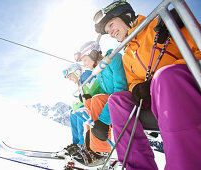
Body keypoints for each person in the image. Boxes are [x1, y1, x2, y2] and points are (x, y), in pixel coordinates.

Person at [93, 1, 201, 170]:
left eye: (111, 25)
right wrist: (137, 88)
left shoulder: (159, 24)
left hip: (185, 83)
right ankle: (137, 166)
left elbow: (198, 49)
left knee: (164, 77)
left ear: (125, 15)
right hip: (157, 97)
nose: (111, 34)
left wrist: (162, 77)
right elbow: (132, 81)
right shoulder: (127, 54)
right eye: (107, 32)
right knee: (117, 100)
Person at [71, 41, 128, 167]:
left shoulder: (114, 58)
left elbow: (121, 89)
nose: (84, 64)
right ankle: (89, 147)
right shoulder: (99, 71)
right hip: (113, 103)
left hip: (124, 100)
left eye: (85, 60)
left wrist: (103, 120)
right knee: (89, 102)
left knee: (96, 100)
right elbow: (105, 93)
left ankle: (101, 151)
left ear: (93, 54)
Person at [61, 63, 103, 156]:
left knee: (80, 112)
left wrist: (79, 104)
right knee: (73, 113)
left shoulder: (86, 76)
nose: (70, 79)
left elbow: (90, 92)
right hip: (91, 103)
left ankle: (82, 144)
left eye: (70, 76)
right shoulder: (81, 82)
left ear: (77, 72)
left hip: (98, 102)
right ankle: (76, 143)